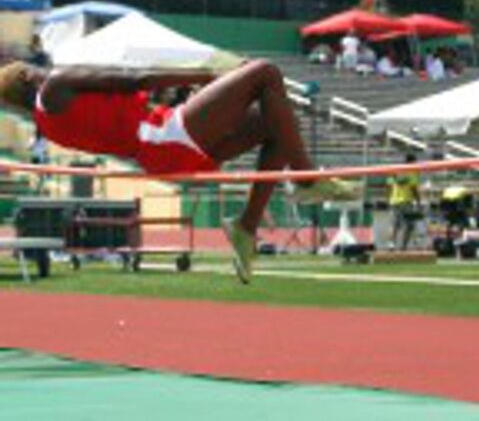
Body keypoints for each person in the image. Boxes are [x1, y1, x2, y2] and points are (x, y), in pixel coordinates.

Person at [0, 59, 360, 284]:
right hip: (166, 135)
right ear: (28, 76)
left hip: (162, 154)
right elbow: (134, 79)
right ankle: (308, 181)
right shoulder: (54, 85)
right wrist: (207, 76)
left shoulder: (49, 127)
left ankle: (247, 227)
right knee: (265, 72)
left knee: (278, 123)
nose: (44, 67)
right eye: (35, 66)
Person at [387, 153, 422, 251]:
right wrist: (418, 202)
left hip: (394, 201)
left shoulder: (396, 170)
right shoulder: (412, 172)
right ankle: (403, 246)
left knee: (394, 224)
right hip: (406, 201)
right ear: (412, 161)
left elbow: (390, 185)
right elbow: (414, 189)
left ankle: (391, 245)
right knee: (409, 225)